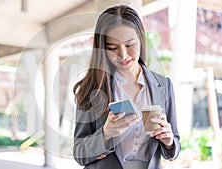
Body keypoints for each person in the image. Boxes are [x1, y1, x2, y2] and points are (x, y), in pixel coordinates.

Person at [73, 5, 180, 169]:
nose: (123, 56)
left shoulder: (164, 86)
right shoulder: (91, 89)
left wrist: (169, 141)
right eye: (113, 48)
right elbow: (79, 153)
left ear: (141, 39)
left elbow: (175, 146)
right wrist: (105, 134)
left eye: (130, 44)